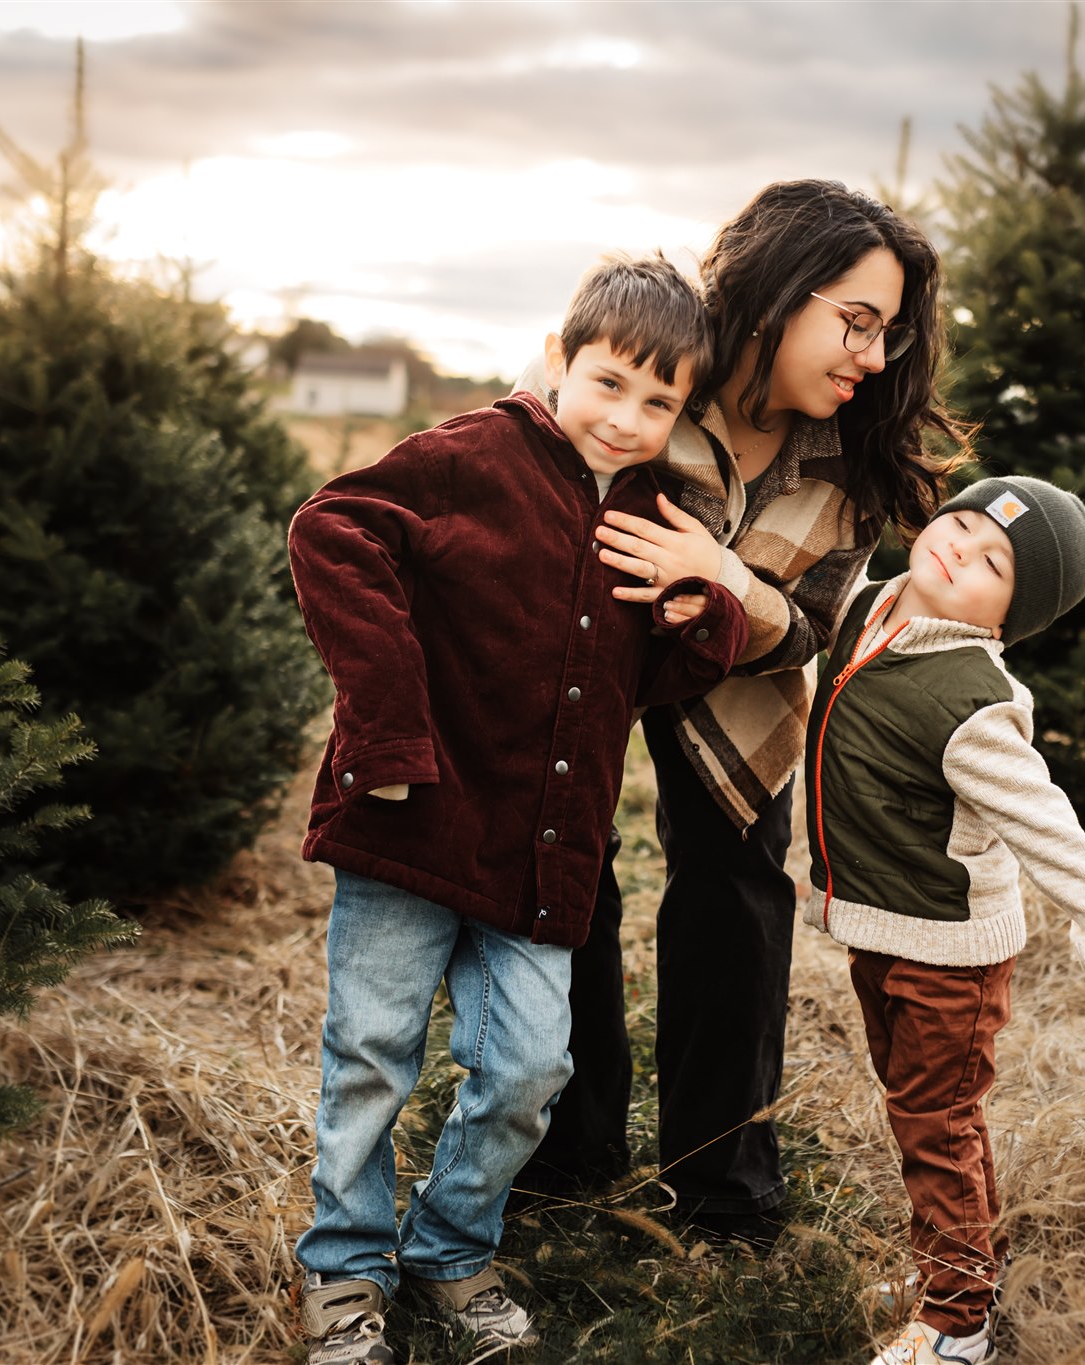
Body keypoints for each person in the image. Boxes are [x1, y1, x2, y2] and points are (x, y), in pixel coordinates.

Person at [284, 253, 748, 1365]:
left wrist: (704, 611)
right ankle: (344, 1271)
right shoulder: (468, 458)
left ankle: (449, 1251)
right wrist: (386, 731)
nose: (626, 419)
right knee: (371, 1053)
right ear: (558, 357)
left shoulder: (652, 515)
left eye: (658, 404)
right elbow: (328, 533)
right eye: (608, 384)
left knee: (534, 1067)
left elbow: (653, 674)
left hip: (543, 857)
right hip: (414, 824)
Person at [516, 180, 968, 1248]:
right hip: (580, 658)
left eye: (886, 335)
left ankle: (721, 1194)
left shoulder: (851, 457)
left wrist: (722, 575)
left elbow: (811, 625)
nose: (868, 355)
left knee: (737, 900)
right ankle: (565, 1158)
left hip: (745, 688)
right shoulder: (655, 355)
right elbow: (520, 477)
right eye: (852, 321)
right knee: (563, 877)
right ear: (775, 295)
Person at [803, 474, 1085, 1365]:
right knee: (926, 1111)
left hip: (948, 957)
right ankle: (955, 1269)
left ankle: (959, 1322)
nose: (961, 544)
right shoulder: (873, 605)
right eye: (963, 521)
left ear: (1008, 617)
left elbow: (1050, 825)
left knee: (939, 1122)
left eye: (993, 559)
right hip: (884, 930)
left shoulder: (976, 700)